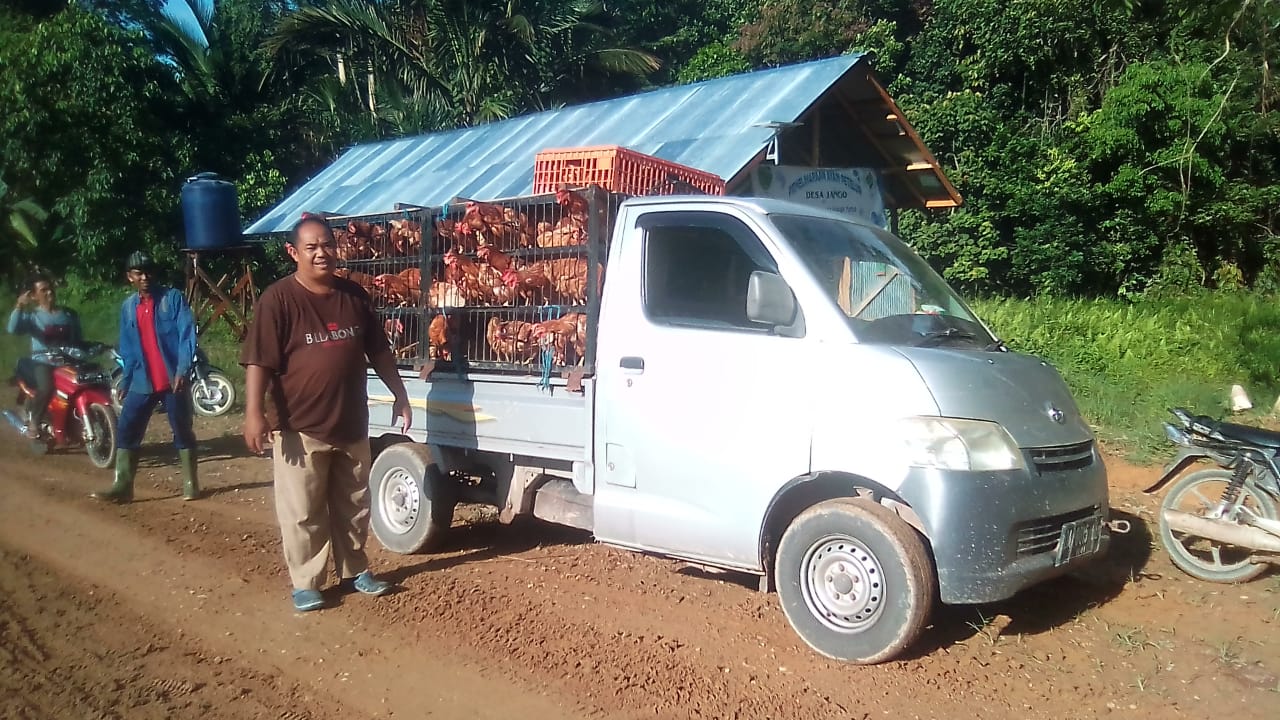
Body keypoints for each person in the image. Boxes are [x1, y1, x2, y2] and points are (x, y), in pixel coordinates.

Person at [240, 217, 413, 612]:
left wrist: (400, 394)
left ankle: (355, 570)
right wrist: (254, 413)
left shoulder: (353, 295)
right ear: (293, 253)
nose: (322, 253)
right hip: (300, 426)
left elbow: (379, 351)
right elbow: (258, 361)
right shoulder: (278, 299)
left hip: (350, 420)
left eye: (328, 245)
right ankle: (307, 582)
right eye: (312, 247)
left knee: (355, 503)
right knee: (303, 510)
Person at [92, 251, 200, 503]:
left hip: (172, 379)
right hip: (142, 380)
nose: (144, 277)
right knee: (127, 427)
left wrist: (183, 370)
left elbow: (187, 336)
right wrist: (126, 380)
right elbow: (128, 347)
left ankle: (190, 484)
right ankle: (123, 485)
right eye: (138, 273)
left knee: (182, 429)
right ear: (129, 277)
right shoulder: (128, 307)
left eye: (148, 271)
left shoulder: (172, 299)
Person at [7, 274, 82, 438]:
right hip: (43, 362)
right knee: (46, 387)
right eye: (43, 290)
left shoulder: (68, 315)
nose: (49, 293)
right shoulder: (32, 317)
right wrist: (19, 305)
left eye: (50, 289)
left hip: (68, 361)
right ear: (33, 296)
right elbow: (12, 328)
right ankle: (35, 421)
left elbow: (78, 339)